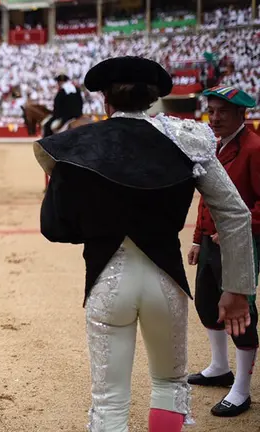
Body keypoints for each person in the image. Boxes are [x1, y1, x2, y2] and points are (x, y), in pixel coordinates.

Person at [33, 56, 256, 432]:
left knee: (109, 400)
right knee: (169, 385)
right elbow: (235, 214)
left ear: (106, 100)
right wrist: (237, 288)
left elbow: (55, 228)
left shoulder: (75, 144)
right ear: (154, 98)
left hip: (108, 280)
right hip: (165, 281)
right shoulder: (188, 139)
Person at [187, 85, 260, 417]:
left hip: (240, 243)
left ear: (242, 115)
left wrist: (234, 231)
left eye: (223, 113)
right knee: (205, 302)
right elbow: (208, 198)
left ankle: (242, 389)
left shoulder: (255, 148)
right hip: (211, 242)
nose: (214, 118)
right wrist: (199, 236)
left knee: (240, 313)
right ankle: (219, 366)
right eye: (211, 111)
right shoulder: (218, 146)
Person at [43, 73, 84, 138]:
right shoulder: (76, 89)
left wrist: (55, 115)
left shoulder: (61, 91)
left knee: (47, 125)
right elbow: (81, 102)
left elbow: (57, 106)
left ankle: (48, 146)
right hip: (78, 115)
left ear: (59, 82)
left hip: (65, 116)